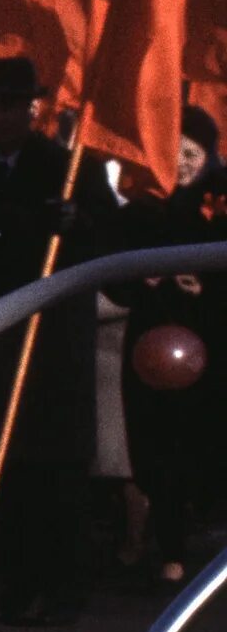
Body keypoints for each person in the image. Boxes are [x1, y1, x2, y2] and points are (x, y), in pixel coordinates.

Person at [0, 55, 114, 622]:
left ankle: (65, 584)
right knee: (6, 462)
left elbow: (113, 244)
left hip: (53, 339)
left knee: (57, 465)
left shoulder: (69, 168)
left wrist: (79, 225)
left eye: (8, 104)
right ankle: (17, 578)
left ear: (34, 108)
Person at [114, 106, 223, 583]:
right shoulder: (145, 204)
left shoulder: (219, 204)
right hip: (148, 344)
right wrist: (146, 284)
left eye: (191, 153)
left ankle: (181, 545)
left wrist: (207, 289)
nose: (180, 161)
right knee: (150, 444)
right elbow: (116, 277)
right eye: (173, 150)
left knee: (191, 443)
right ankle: (161, 540)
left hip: (209, 342)